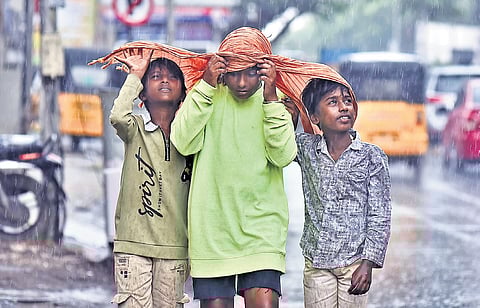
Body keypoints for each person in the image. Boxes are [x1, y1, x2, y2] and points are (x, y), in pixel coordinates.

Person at [170, 27, 297, 307]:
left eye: (250, 72)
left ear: (265, 70)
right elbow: (183, 142)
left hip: (263, 228)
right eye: (234, 72)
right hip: (213, 228)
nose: (241, 82)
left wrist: (272, 98)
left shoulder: (274, 102)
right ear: (222, 69)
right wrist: (205, 86)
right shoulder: (207, 95)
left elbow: (283, 156)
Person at [285, 78, 392, 307]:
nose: (344, 107)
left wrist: (368, 262)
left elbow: (380, 215)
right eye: (332, 102)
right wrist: (290, 118)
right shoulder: (307, 148)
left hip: (354, 264)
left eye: (347, 101)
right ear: (315, 118)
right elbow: (280, 146)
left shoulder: (371, 157)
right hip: (317, 262)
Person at [108, 49, 191, 307]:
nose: (165, 80)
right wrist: (136, 74)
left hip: (175, 247)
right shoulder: (135, 129)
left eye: (172, 77)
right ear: (143, 94)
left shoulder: (191, 136)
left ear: (183, 92)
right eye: (155, 76)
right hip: (133, 245)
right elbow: (117, 116)